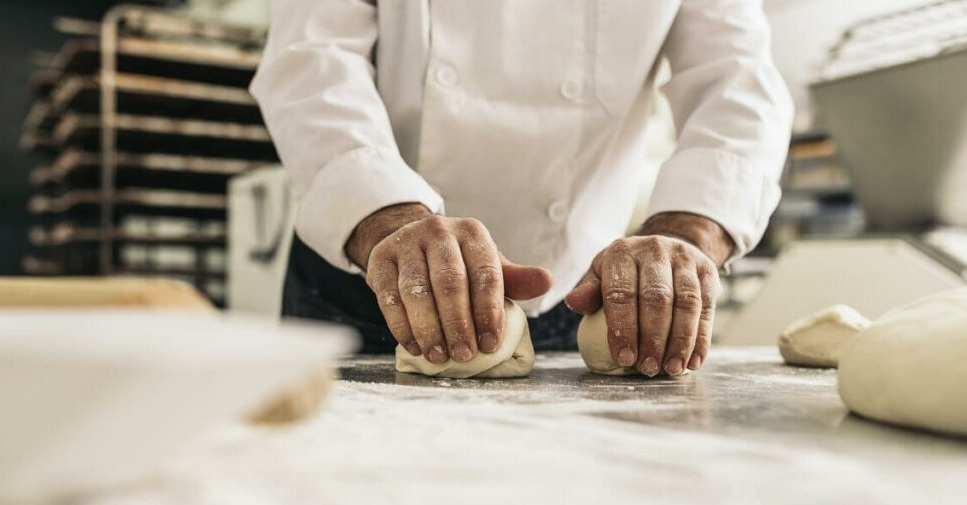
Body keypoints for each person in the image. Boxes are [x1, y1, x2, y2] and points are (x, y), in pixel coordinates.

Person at [250, 0, 793, 377]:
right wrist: (385, 213)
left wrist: (687, 232)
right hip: (371, 273)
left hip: (579, 296)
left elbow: (737, 81)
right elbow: (313, 58)